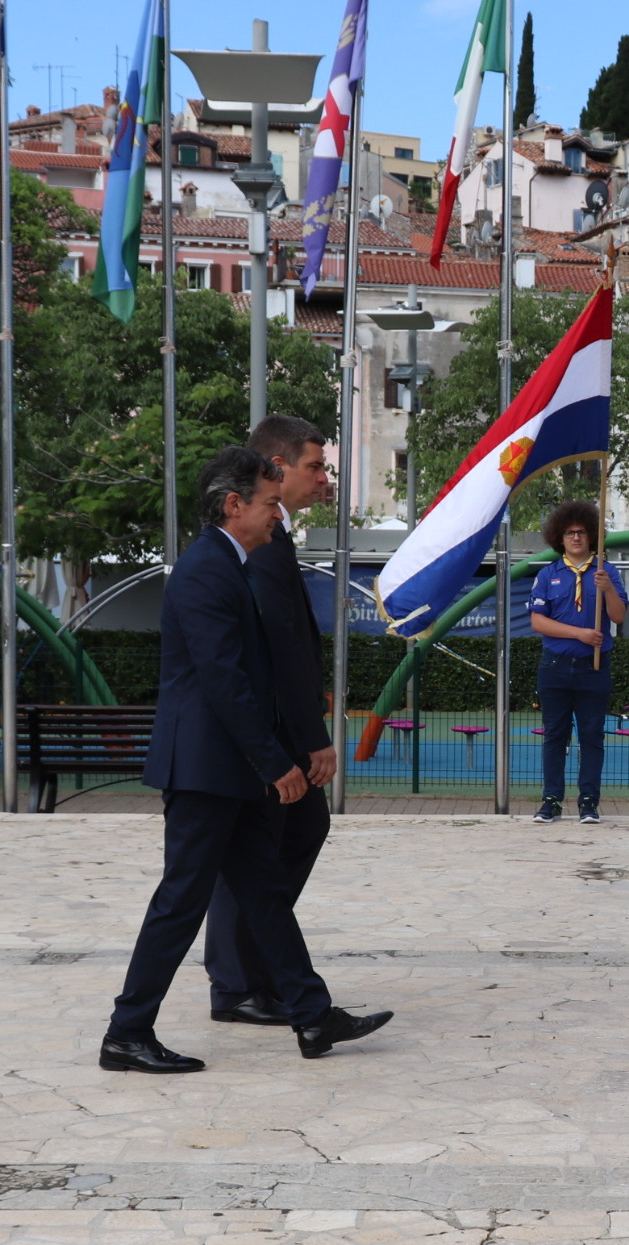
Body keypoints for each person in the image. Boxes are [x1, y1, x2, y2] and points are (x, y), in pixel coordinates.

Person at [101, 447, 393, 1074]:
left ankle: (313, 1017)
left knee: (263, 895)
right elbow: (223, 682)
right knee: (181, 900)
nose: (275, 514)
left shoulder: (230, 565)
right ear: (233, 505)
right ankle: (126, 1033)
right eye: (267, 504)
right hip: (207, 770)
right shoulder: (207, 571)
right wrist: (275, 761)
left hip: (226, 768)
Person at [203, 414, 337, 1026]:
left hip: (278, 719)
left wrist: (315, 689)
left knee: (287, 836)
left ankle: (256, 973)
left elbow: (291, 637)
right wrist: (309, 738)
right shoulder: (252, 543)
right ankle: (237, 982)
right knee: (248, 853)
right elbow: (273, 643)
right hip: (265, 727)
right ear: (276, 470)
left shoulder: (272, 535)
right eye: (315, 466)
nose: (323, 478)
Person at [525, 499, 625, 824]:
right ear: (560, 537)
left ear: (591, 535)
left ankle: (588, 802)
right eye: (570, 533)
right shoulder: (547, 574)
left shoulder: (606, 571)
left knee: (592, 735)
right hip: (554, 667)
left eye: (582, 532)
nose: (576, 538)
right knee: (555, 734)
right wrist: (578, 634)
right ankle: (551, 800)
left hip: (593, 668)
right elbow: (538, 622)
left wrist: (608, 589)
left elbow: (619, 615)